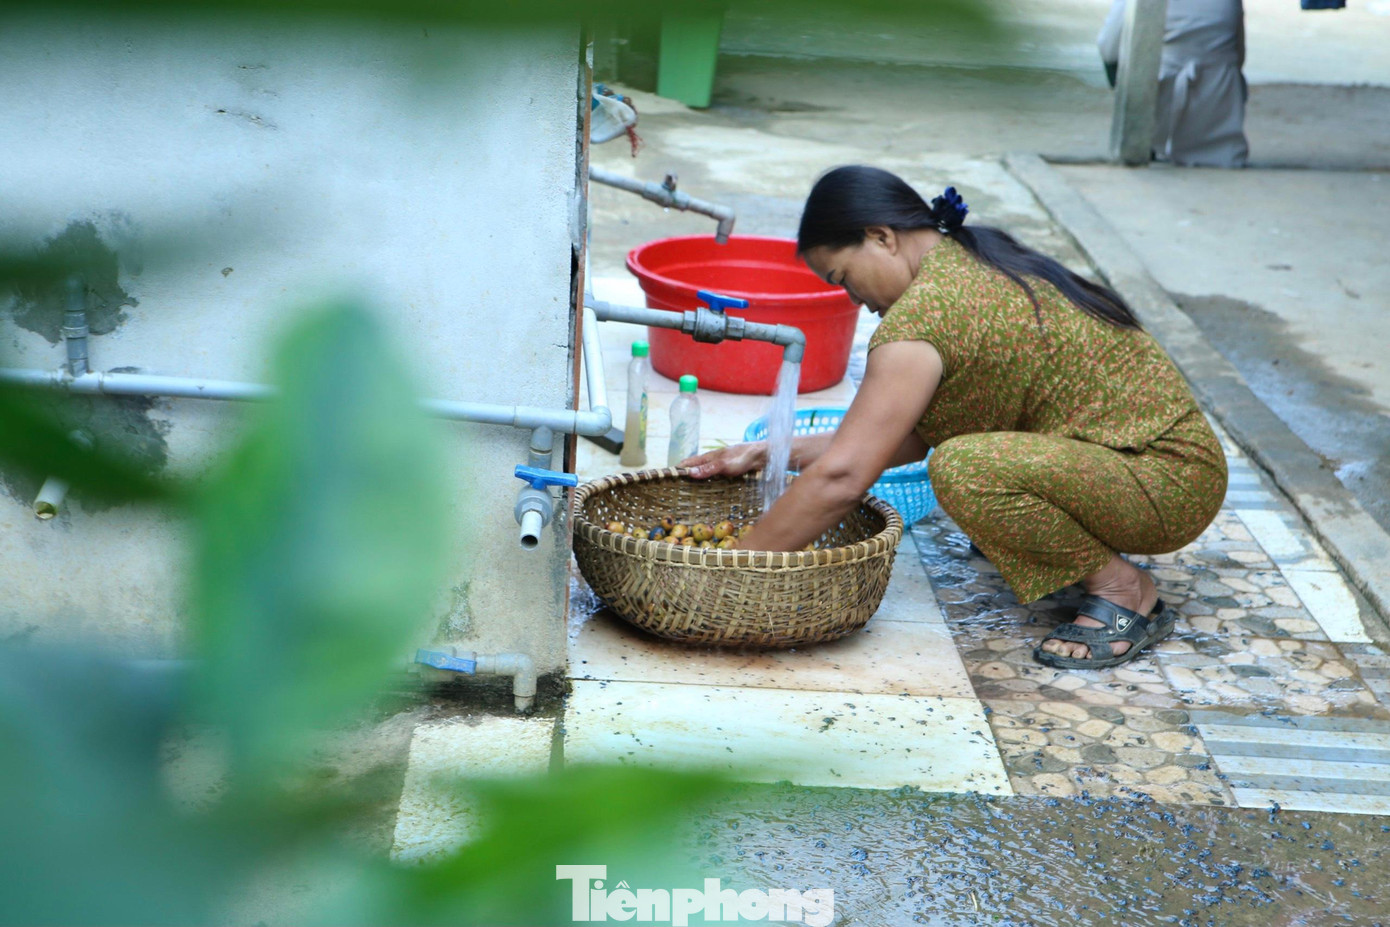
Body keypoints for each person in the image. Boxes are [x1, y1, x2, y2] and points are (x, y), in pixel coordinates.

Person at [680, 166, 1228, 670]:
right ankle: (1050, 538)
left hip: (1164, 483)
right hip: (1162, 468)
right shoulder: (967, 257)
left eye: (843, 277)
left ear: (881, 237)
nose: (855, 299)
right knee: (965, 460)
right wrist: (770, 452)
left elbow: (846, 478)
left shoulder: (922, 319)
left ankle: (1124, 591)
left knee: (966, 469)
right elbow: (902, 438)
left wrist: (729, 569)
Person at [1098, 0, 1249, 167]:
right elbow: (1239, 56)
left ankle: (1140, 138)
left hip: (1162, 112)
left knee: (1115, 58)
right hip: (1220, 117)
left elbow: (1107, 47)